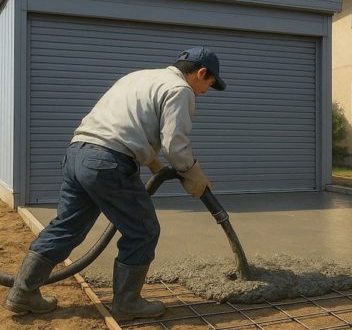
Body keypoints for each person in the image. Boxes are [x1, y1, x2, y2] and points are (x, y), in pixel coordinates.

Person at [3, 47, 226, 320]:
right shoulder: (181, 90)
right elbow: (175, 145)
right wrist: (194, 176)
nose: (205, 91)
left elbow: (128, 124)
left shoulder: (139, 77)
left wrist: (155, 165)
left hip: (78, 153)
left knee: (66, 227)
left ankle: (22, 293)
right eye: (209, 84)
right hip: (108, 162)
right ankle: (127, 304)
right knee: (142, 230)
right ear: (201, 73)